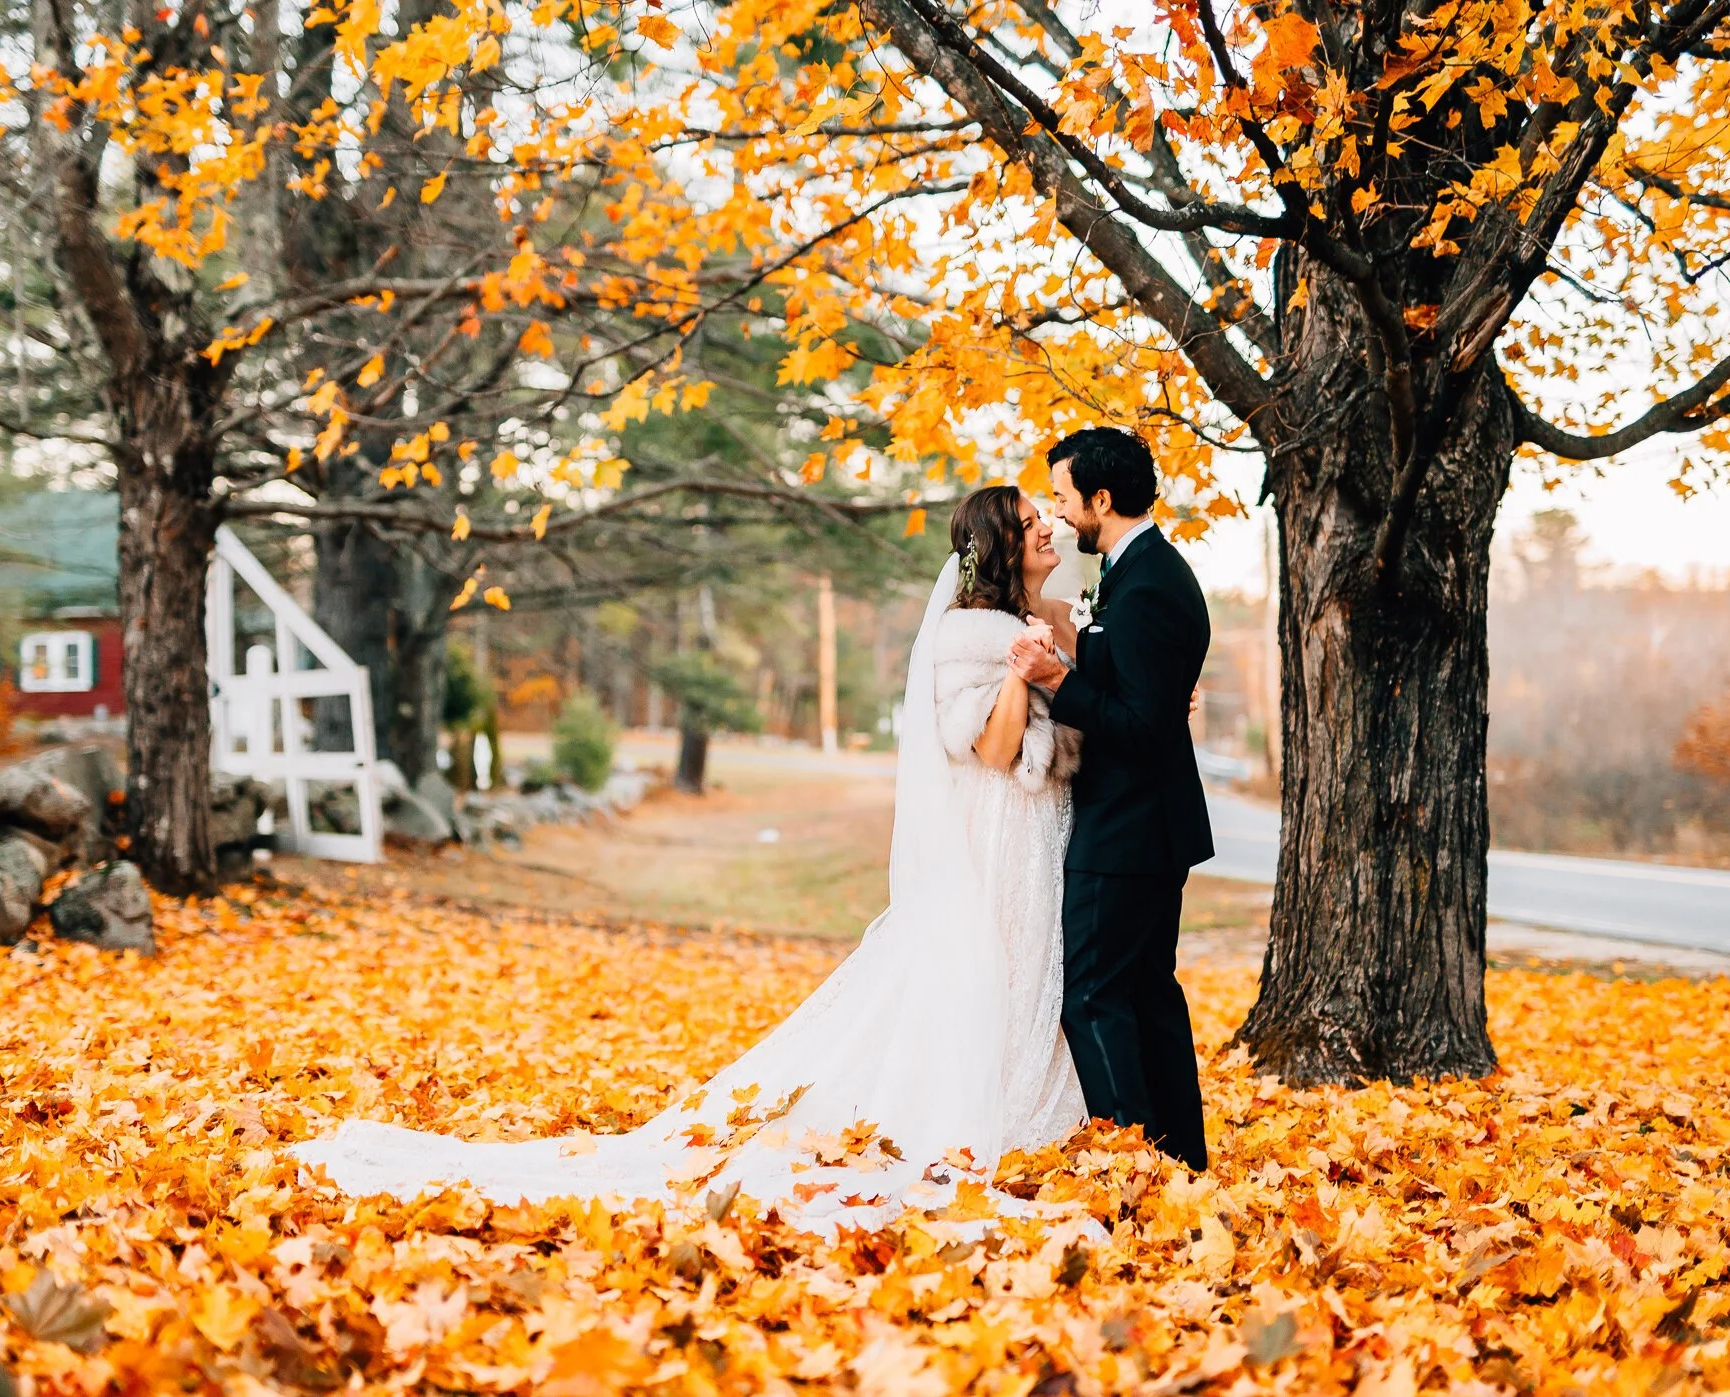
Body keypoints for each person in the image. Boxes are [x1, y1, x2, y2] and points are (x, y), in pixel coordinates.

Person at [291, 485, 1095, 1227]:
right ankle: (993, 1116)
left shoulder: (1047, 615)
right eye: (1030, 523)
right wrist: (1022, 677)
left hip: (1031, 831)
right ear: (999, 545)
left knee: (1028, 966)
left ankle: (1034, 1109)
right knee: (994, 969)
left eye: (1044, 516)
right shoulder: (968, 638)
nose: (1048, 526)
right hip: (993, 832)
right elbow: (994, 752)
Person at [1009, 426, 1216, 1169]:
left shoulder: (1152, 583)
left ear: (1102, 497)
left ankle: (1137, 1166)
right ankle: (1179, 1162)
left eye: (1065, 499)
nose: (1061, 515)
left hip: (1129, 830)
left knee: (1093, 995)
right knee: (1145, 995)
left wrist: (1057, 681)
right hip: (1145, 825)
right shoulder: (1140, 573)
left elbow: (1137, 723)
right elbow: (1142, 694)